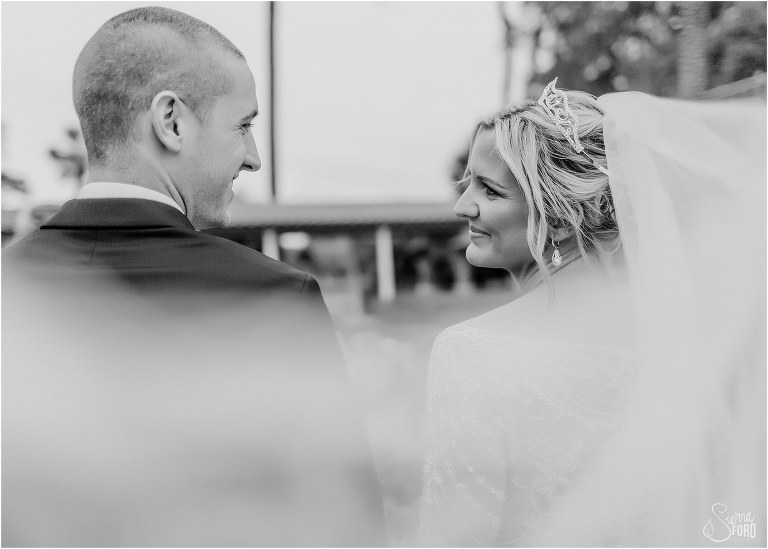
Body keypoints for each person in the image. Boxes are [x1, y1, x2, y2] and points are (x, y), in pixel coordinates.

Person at [2, 7, 386, 547]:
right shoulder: (274, 300)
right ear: (172, 122)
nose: (252, 158)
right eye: (244, 125)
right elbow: (348, 529)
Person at [419, 80, 765, 546]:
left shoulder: (471, 352)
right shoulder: (697, 339)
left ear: (560, 217)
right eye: (467, 184)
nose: (463, 206)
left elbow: (455, 537)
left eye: (490, 190)